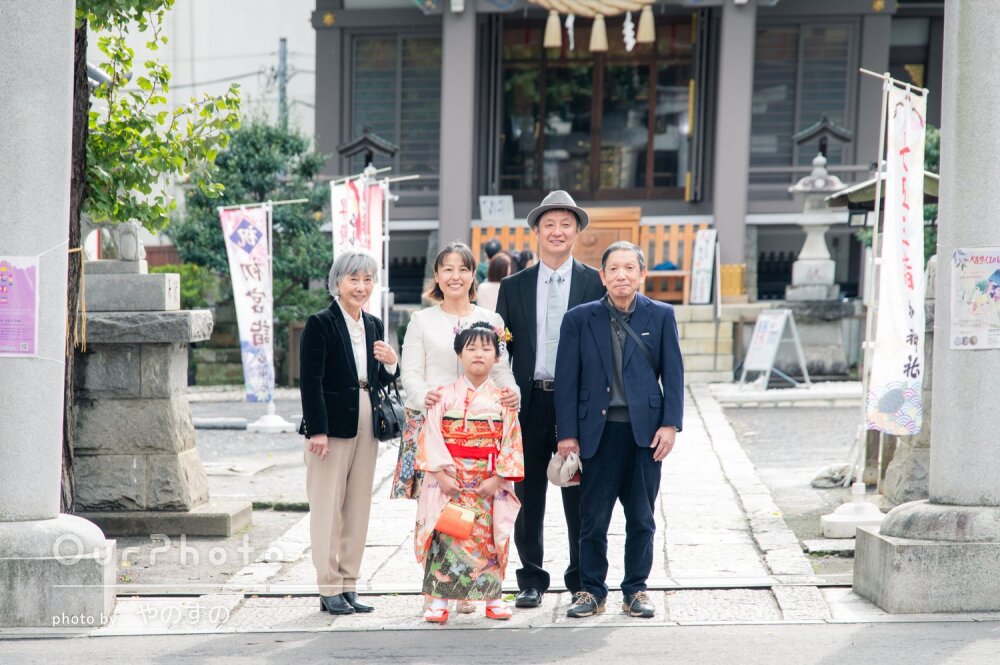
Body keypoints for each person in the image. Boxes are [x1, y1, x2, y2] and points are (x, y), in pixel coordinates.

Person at [554, 241, 684, 620]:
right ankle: (591, 591)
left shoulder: (661, 315)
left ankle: (636, 589)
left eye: (629, 268)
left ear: (642, 274)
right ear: (602, 276)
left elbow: (674, 374)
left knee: (642, 517)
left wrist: (670, 424)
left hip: (646, 434)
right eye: (614, 269)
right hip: (597, 433)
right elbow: (567, 380)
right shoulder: (579, 319)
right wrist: (567, 434)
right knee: (593, 518)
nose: (621, 275)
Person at [495, 190, 605, 609]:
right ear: (537, 231)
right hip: (529, 402)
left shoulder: (595, 283)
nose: (557, 231)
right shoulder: (514, 286)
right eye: (549, 224)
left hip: (577, 404)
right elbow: (502, 348)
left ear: (577, 231)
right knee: (527, 494)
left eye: (566, 224)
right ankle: (531, 578)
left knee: (581, 493)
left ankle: (581, 578)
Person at [299, 250, 400, 615]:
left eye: (367, 279)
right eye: (353, 279)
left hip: (366, 418)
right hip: (330, 425)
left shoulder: (373, 324)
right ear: (337, 283)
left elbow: (381, 380)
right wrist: (317, 430)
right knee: (327, 507)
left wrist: (392, 363)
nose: (361, 286)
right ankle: (328, 587)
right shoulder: (320, 323)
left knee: (358, 507)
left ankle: (348, 583)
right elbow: (310, 381)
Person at [391, 241, 519, 502]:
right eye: (448, 269)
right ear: (437, 276)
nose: (455, 276)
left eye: (463, 269)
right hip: (434, 423)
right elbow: (411, 372)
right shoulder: (421, 320)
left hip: (480, 429)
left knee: (480, 509)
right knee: (434, 507)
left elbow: (501, 369)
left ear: (472, 275)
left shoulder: (492, 320)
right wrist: (424, 396)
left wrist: (512, 391)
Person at [415, 321, 524, 624]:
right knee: (446, 536)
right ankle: (439, 600)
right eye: (471, 348)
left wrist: (498, 479)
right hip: (451, 480)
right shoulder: (443, 396)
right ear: (459, 355)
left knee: (489, 538)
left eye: (486, 349)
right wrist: (442, 477)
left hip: (488, 482)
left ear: (497, 357)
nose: (478, 354)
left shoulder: (503, 399)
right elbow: (431, 436)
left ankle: (493, 598)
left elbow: (511, 441)